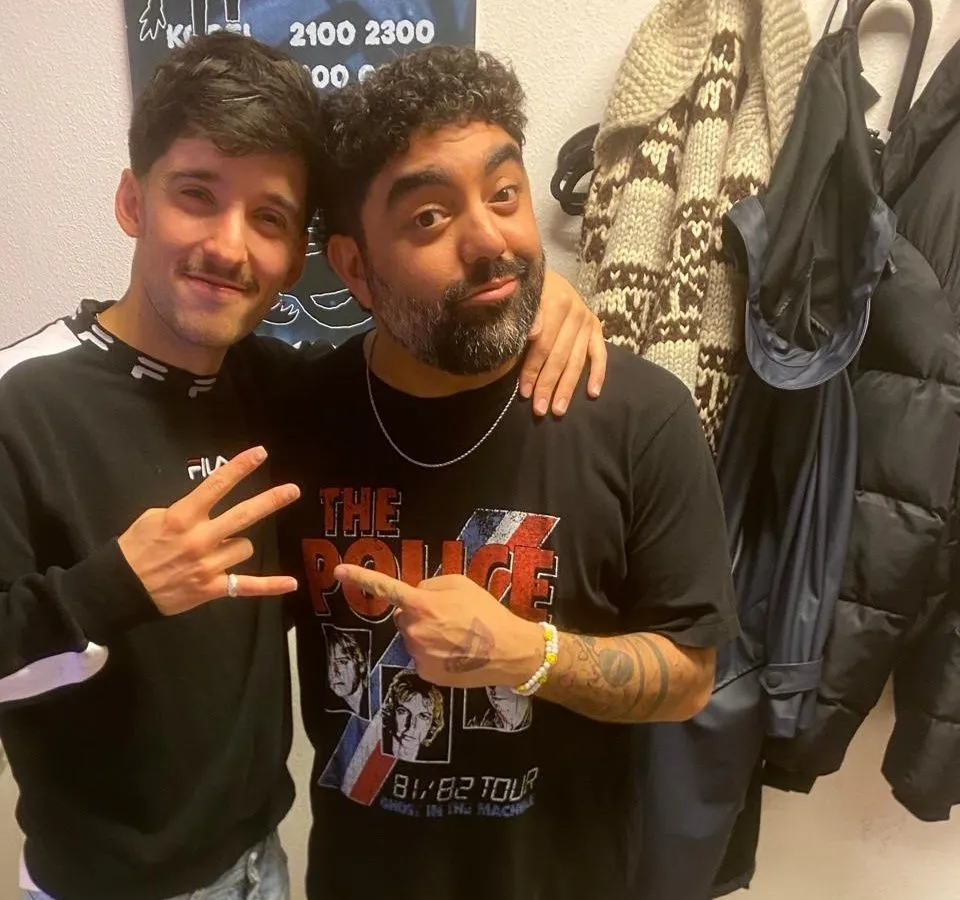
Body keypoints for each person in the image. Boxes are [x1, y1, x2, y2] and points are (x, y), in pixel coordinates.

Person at [0, 33, 604, 900]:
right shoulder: (12, 407)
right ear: (133, 200)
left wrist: (534, 295)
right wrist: (108, 590)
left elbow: (417, 341)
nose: (229, 246)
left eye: (269, 218)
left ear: (298, 255)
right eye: (196, 195)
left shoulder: (275, 389)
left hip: (261, 868)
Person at [272, 45, 737, 900]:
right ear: (354, 267)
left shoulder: (640, 415)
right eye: (428, 218)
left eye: (503, 194)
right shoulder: (294, 421)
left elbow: (689, 677)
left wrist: (526, 654)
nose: (490, 241)